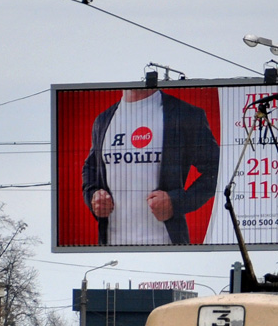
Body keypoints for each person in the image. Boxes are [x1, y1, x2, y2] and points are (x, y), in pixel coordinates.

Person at [81, 88, 219, 245]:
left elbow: (218, 169)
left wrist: (177, 202)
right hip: (112, 248)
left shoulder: (185, 115)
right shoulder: (103, 120)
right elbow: (90, 167)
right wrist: (93, 196)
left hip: (168, 246)